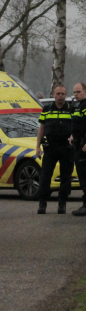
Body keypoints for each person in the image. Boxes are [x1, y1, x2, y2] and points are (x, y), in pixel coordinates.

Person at [36, 84, 74, 215]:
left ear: (66, 95)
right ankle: (42, 203)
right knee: (45, 176)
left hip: (66, 148)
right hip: (50, 148)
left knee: (65, 177)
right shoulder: (46, 109)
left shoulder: (71, 109)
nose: (60, 96)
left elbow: (77, 126)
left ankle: (62, 203)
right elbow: (41, 128)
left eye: (63, 94)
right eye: (58, 94)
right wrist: (37, 146)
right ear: (53, 94)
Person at [72, 82, 86, 216]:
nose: (76, 94)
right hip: (77, 145)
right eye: (75, 92)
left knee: (84, 177)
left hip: (83, 146)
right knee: (82, 176)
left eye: (79, 92)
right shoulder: (78, 106)